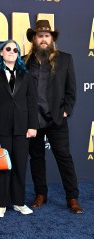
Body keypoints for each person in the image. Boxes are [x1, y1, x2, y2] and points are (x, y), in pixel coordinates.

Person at [24, 20, 83, 214]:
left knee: (64, 158)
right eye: (39, 36)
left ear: (52, 39)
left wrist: (66, 109)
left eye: (46, 36)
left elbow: (71, 90)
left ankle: (72, 197)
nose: (43, 39)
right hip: (33, 120)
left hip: (56, 118)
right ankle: (41, 194)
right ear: (34, 39)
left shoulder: (65, 59)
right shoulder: (24, 61)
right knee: (37, 158)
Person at [0, 40, 38, 217]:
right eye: (8, 49)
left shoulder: (26, 75)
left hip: (22, 128)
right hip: (1, 128)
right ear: (1, 52)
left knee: (20, 166)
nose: (12, 51)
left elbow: (32, 102)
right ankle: (0, 204)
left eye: (15, 49)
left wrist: (32, 126)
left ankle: (19, 202)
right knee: (1, 167)